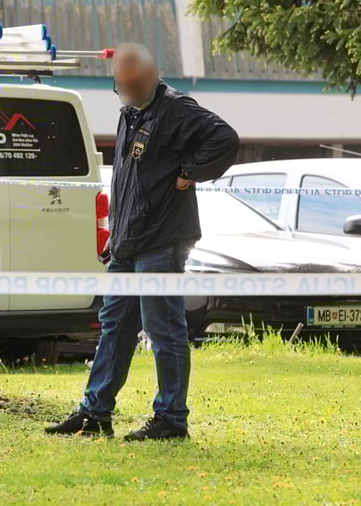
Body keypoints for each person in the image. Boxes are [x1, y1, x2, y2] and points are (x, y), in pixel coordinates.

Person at [46, 43, 239, 441]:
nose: (127, 92)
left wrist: (191, 171)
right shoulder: (131, 112)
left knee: (163, 327)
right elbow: (128, 182)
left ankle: (171, 418)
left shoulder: (176, 109)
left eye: (133, 85)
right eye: (121, 86)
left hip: (163, 240)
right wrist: (116, 235)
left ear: (153, 75)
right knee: (114, 327)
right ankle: (94, 413)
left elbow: (226, 138)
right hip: (128, 243)